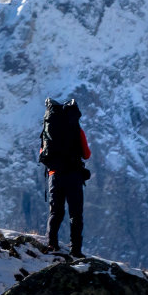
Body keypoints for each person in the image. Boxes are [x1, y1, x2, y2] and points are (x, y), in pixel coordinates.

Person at [39, 97, 91, 256]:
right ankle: (75, 250)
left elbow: (43, 153)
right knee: (75, 214)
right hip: (73, 175)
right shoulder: (76, 128)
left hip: (55, 175)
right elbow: (86, 154)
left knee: (55, 211)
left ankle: (51, 244)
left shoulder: (49, 128)